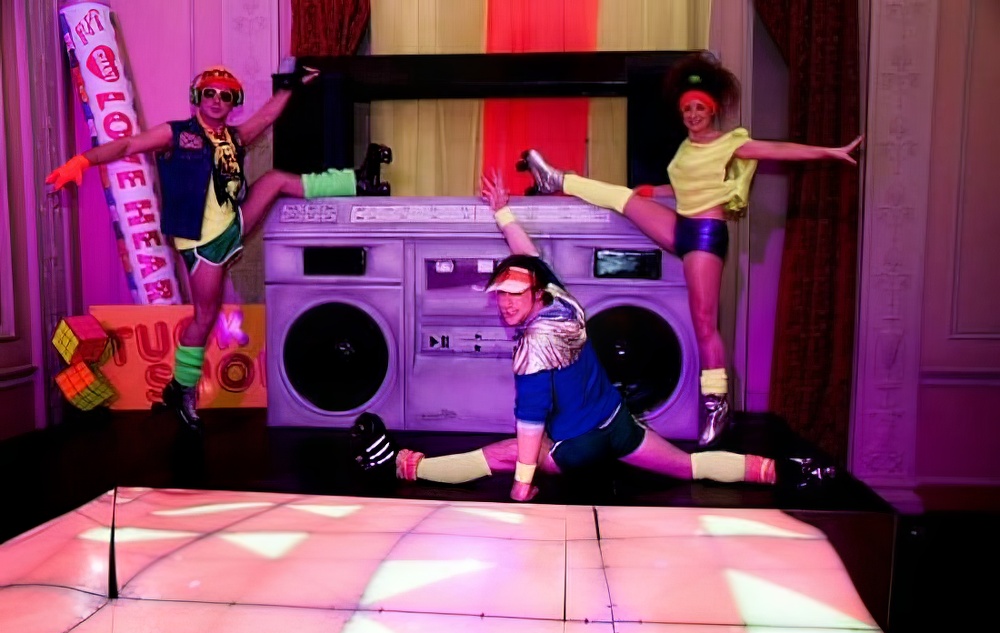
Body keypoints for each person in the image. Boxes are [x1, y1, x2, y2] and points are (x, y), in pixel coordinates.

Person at [356, 169, 789, 502]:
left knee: (505, 453)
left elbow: (530, 423)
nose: (506, 304)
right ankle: (775, 470)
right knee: (689, 466)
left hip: (578, 448)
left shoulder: (532, 349)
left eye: (514, 295)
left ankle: (405, 467)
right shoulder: (564, 303)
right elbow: (529, 256)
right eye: (501, 294)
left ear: (535, 295)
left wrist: (522, 485)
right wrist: (503, 212)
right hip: (618, 425)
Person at [516, 50, 863, 447]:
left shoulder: (729, 144)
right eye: (687, 109)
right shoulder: (685, 149)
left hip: (704, 234)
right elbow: (686, 187)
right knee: (622, 197)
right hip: (679, 225)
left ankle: (716, 404)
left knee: (703, 323)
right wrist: (653, 192)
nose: (693, 115)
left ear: (712, 110)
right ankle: (556, 179)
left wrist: (829, 152)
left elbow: (778, 151)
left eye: (699, 108)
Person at [46, 64, 391, 431]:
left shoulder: (234, 137)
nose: (216, 100)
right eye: (209, 93)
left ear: (232, 103)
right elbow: (129, 144)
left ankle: (358, 181)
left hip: (232, 224)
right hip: (203, 241)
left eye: (225, 96)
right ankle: (181, 389)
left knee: (275, 181)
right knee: (204, 318)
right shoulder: (177, 133)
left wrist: (290, 87)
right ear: (198, 97)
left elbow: (266, 117)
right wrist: (83, 160)